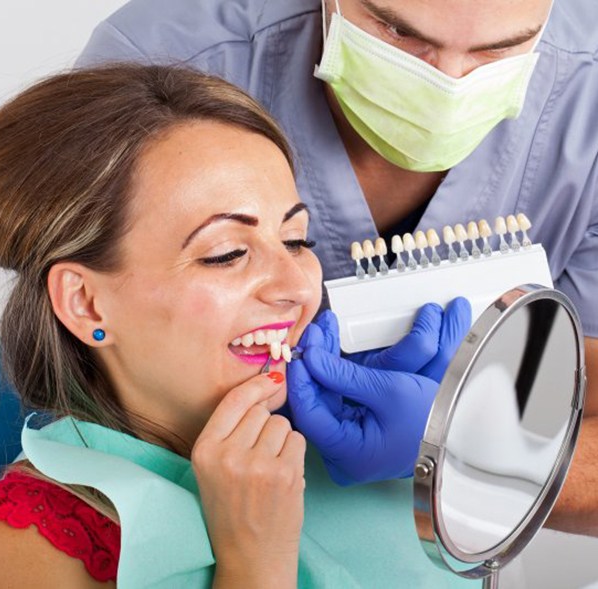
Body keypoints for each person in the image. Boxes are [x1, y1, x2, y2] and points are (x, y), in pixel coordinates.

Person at [77, 0, 598, 534]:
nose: (448, 84)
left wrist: (468, 449)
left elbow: (581, 371)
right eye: (397, 30)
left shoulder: (587, 86)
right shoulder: (165, 64)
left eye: (500, 49)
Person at [0, 64, 473, 588]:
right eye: (226, 254)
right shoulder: (29, 547)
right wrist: (253, 561)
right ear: (86, 304)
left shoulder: (339, 446)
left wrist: (454, 466)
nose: (296, 286)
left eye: (295, 240)